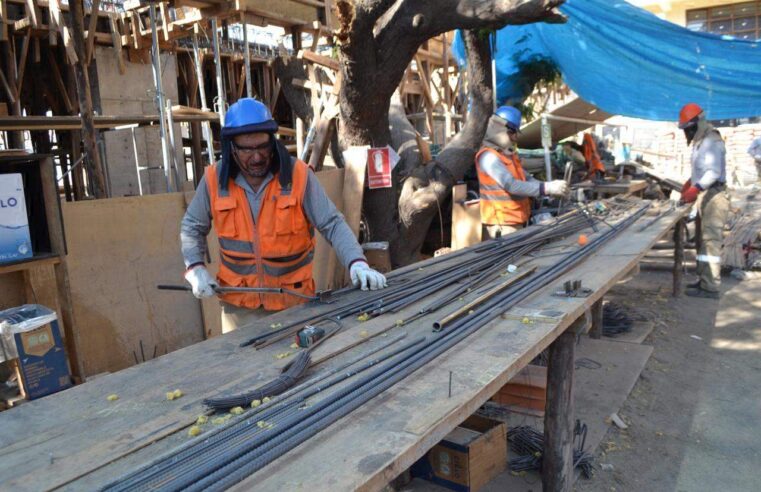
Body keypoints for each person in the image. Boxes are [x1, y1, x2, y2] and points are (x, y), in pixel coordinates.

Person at [181, 98, 387, 333]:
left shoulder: (298, 176)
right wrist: (195, 267)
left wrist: (356, 262)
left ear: (272, 140)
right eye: (247, 150)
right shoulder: (213, 180)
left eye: (262, 147)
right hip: (238, 307)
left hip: (294, 304)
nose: (257, 157)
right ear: (231, 148)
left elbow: (332, 223)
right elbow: (191, 227)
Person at [475, 106, 569, 240]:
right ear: (498, 129)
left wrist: (549, 188)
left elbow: (527, 178)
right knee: (507, 261)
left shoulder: (508, 155)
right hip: (501, 224)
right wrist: (546, 188)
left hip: (515, 220)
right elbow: (511, 185)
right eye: (512, 132)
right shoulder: (488, 157)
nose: (515, 137)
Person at [678, 102, 730, 299]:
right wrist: (689, 183)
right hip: (705, 194)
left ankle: (711, 287)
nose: (687, 133)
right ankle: (703, 279)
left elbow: (714, 171)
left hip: (715, 195)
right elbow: (700, 170)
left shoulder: (712, 140)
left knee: (710, 241)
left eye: (688, 128)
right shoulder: (700, 141)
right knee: (702, 240)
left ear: (697, 123)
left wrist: (696, 188)